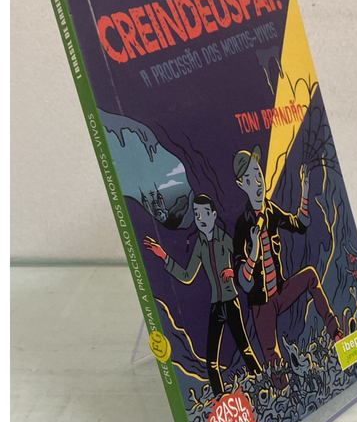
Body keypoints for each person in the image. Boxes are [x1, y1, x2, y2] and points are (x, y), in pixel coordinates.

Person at [232, 145, 343, 382]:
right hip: (262, 305)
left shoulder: (271, 211)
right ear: (241, 185)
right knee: (275, 367)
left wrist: (305, 193)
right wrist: (253, 252)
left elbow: (299, 224)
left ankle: (335, 332)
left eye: (258, 174)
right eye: (250, 179)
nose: (258, 183)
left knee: (310, 275)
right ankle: (285, 388)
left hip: (280, 291)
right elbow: (242, 280)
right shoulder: (242, 225)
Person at [144, 194, 262, 399]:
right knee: (211, 359)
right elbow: (187, 275)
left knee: (245, 348)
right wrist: (164, 256)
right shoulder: (199, 244)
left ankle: (262, 379)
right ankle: (220, 397)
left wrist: (234, 272)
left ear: (214, 215)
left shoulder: (224, 239)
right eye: (196, 214)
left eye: (204, 213)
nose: (200, 218)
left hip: (231, 302)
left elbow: (242, 261)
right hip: (216, 306)